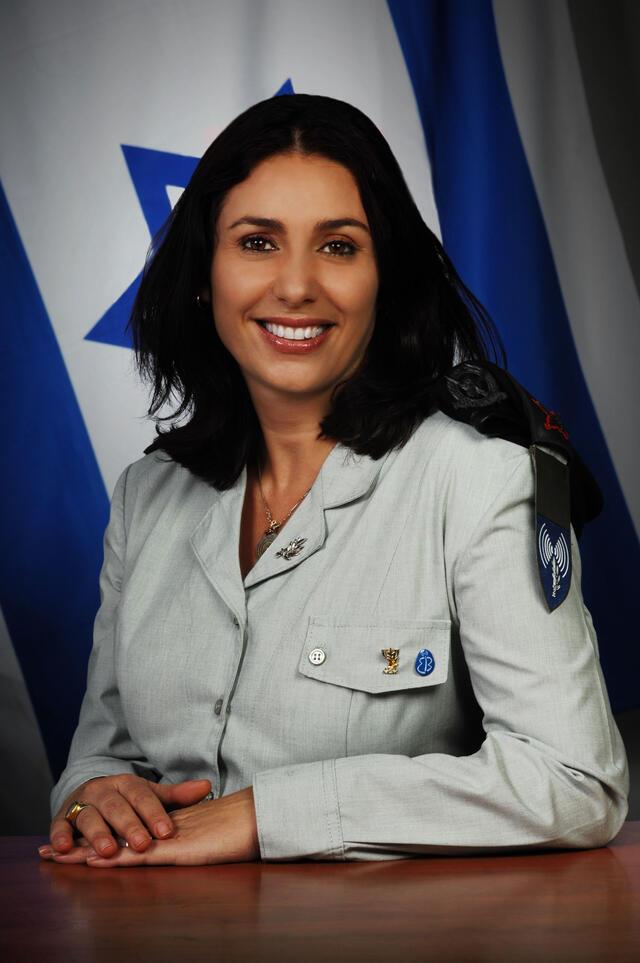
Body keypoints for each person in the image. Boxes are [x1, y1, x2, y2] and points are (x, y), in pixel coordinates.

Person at [39, 93, 628, 867]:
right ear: (202, 275)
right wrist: (95, 795)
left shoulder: (478, 482)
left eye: (339, 246)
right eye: (256, 242)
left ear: (386, 277)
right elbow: (101, 754)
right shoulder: (147, 498)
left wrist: (268, 813)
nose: (295, 285)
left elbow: (576, 779)